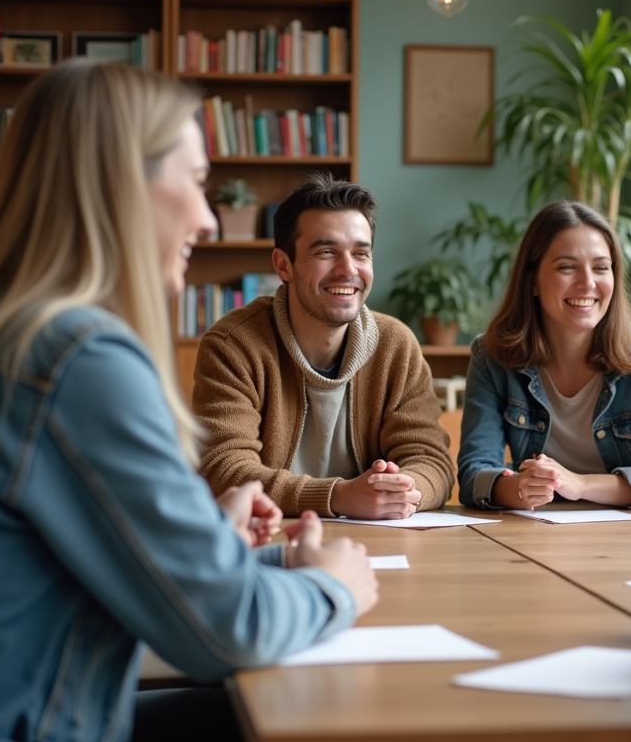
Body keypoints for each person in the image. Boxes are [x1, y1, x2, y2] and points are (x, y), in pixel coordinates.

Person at [0, 60, 378, 742]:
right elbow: (224, 629)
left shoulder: (0, 331)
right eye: (197, 183)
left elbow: (55, 556)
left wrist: (206, 537)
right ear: (121, 184)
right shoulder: (77, 358)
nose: (210, 219)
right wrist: (333, 586)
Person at [193, 173, 456, 520]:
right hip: (270, 543)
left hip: (381, 543)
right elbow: (223, 469)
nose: (348, 270)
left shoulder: (397, 346)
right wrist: (338, 496)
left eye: (361, 253)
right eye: (326, 251)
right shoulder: (234, 346)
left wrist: (402, 489)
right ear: (283, 265)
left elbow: (431, 459)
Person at [458, 200, 631, 510]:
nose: (587, 283)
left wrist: (580, 485)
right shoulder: (493, 355)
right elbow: (473, 475)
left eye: (601, 267)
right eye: (567, 267)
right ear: (532, 280)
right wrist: (520, 488)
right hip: (536, 535)